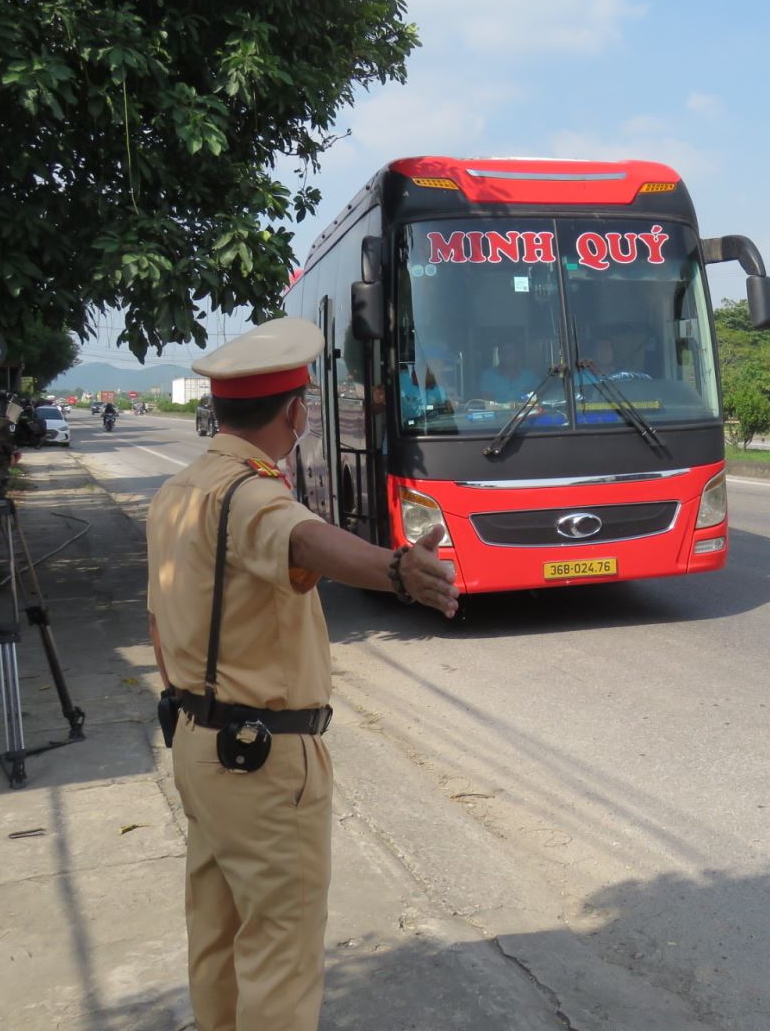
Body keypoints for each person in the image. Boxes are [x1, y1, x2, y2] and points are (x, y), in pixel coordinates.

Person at [145, 317, 459, 1031]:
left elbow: (159, 625)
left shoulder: (179, 491)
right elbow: (306, 539)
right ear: (294, 413)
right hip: (261, 761)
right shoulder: (249, 494)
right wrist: (397, 571)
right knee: (281, 958)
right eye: (306, 407)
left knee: (218, 935)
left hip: (196, 742)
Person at [398, 341, 452, 422]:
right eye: (442, 365)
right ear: (431, 365)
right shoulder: (401, 381)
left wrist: (451, 403)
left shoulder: (438, 389)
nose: (442, 370)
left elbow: (448, 404)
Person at [477, 339, 538, 404]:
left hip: (525, 413)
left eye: (510, 351)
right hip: (498, 414)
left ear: (516, 354)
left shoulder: (529, 376)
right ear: (499, 355)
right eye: (503, 352)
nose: (506, 354)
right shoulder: (489, 376)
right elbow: (487, 402)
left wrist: (527, 399)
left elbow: (541, 393)